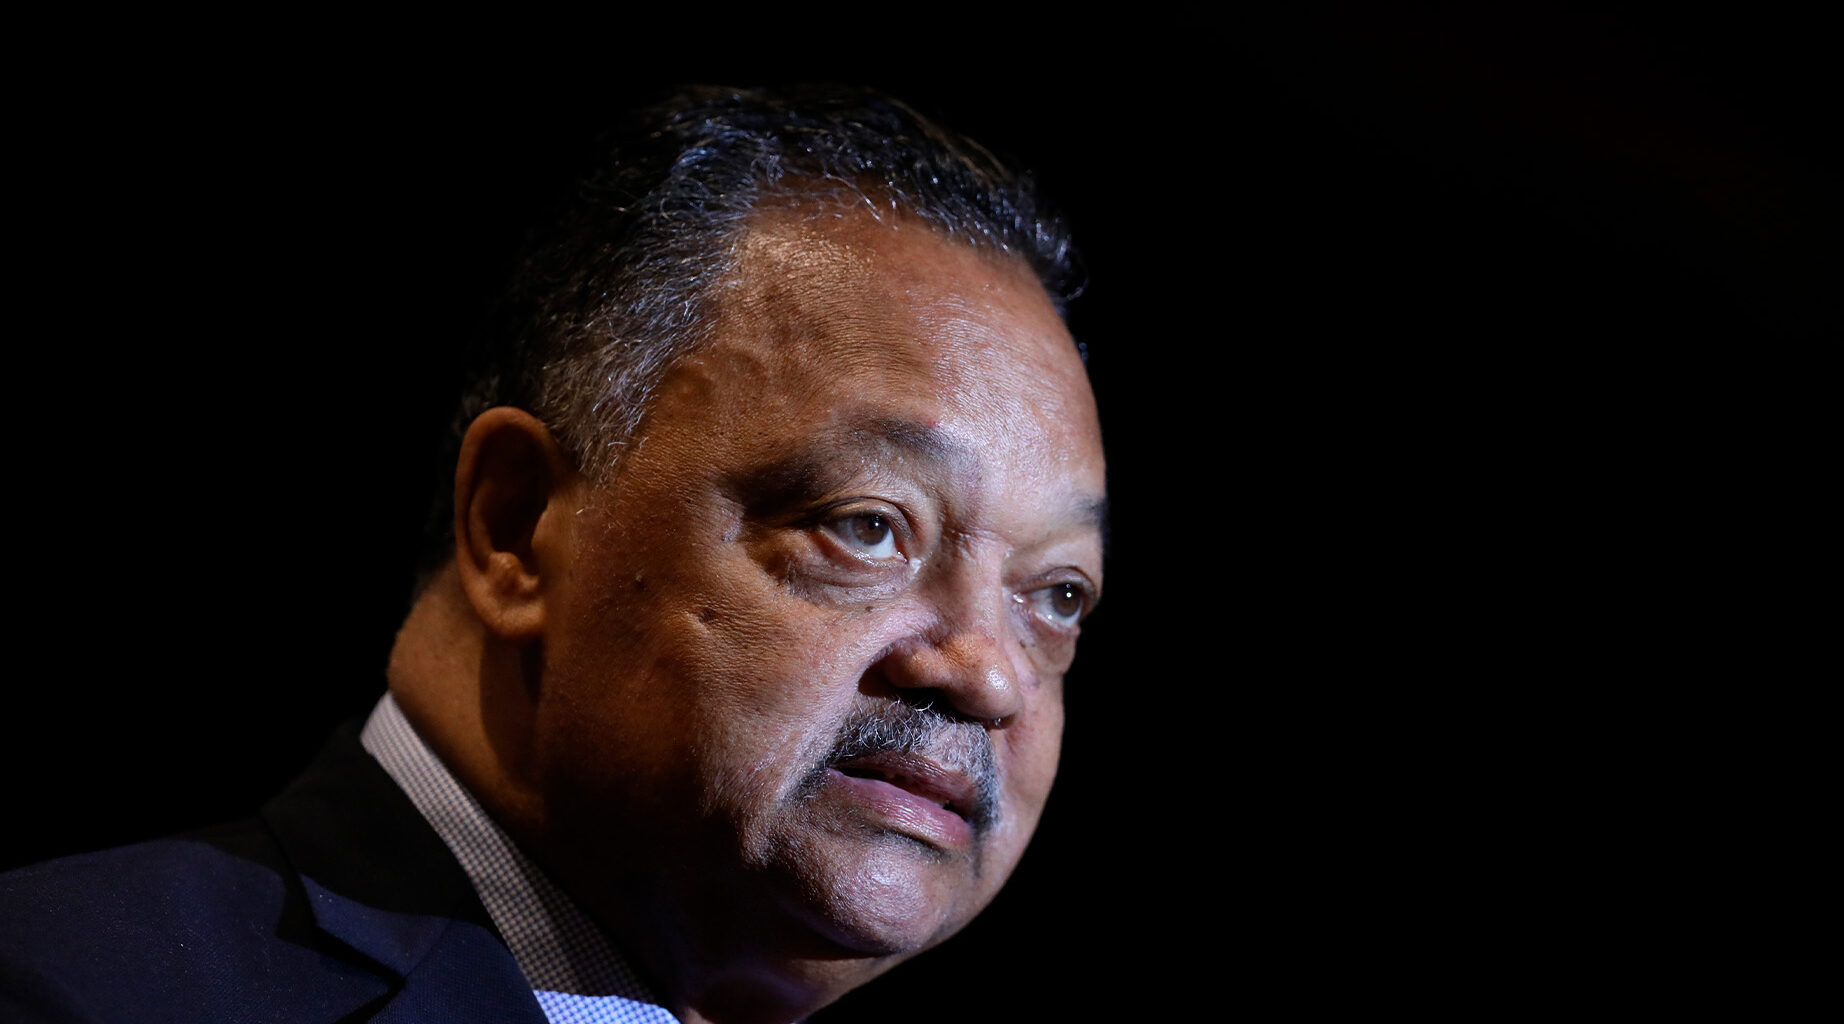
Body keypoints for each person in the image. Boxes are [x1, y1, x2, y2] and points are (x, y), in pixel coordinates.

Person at [0, 85, 1108, 1023]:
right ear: (516, 525)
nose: (989, 670)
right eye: (867, 526)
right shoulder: (70, 986)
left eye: (1055, 593)